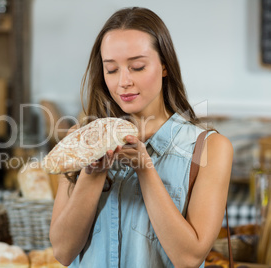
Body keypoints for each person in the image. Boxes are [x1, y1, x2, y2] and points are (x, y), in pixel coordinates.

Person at [49, 6, 233, 268]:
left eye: (137, 67)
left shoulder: (211, 147)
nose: (123, 81)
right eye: (111, 69)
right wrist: (92, 173)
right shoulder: (83, 138)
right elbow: (62, 251)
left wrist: (145, 170)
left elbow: (189, 258)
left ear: (165, 65)